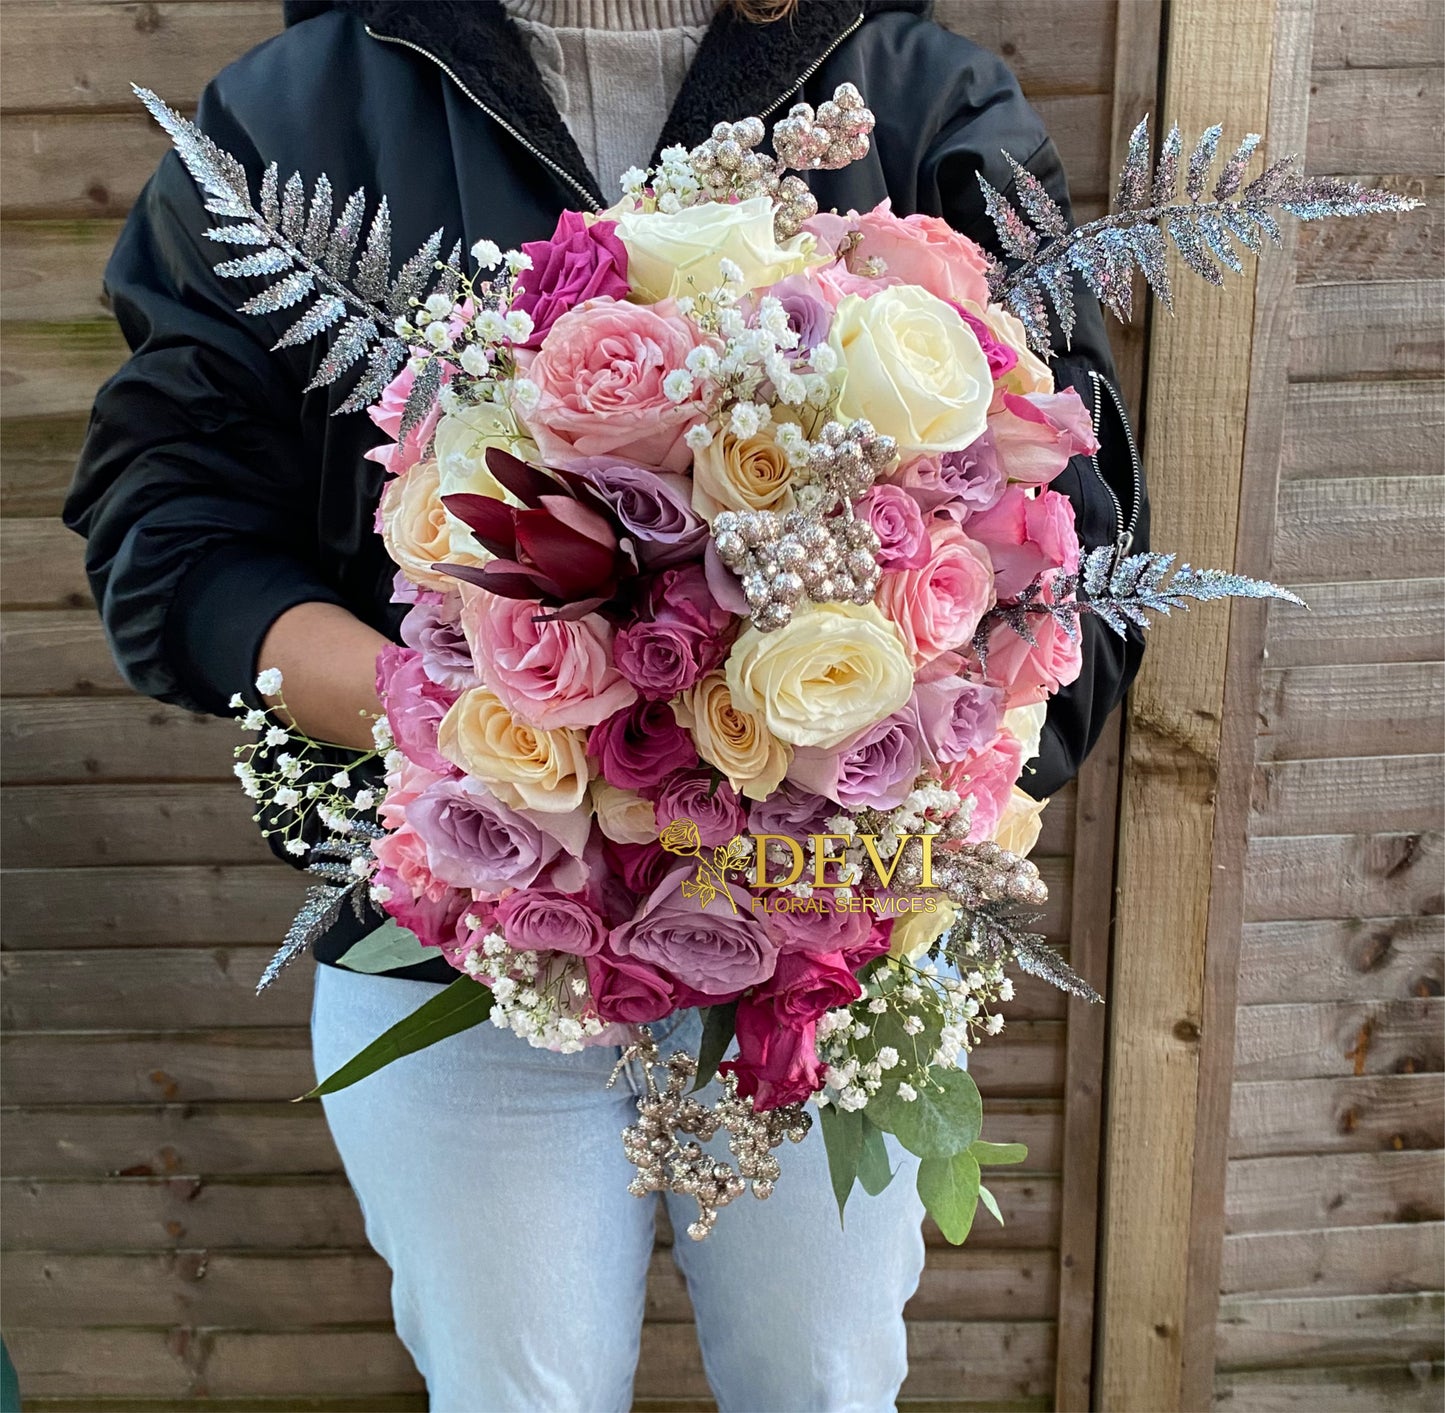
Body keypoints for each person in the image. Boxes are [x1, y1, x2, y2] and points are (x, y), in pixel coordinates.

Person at [64, 2, 1149, 1408]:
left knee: (817, 1384)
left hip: (836, 942)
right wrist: (453, 718)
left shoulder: (915, 92)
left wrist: (891, 779)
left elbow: (1076, 545)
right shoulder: (295, 116)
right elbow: (170, 527)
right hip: (458, 941)